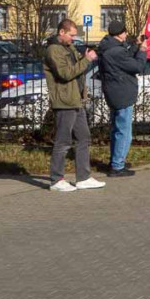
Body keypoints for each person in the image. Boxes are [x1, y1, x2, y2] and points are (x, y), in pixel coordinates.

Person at [45, 18, 103, 192]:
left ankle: (83, 178)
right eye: (71, 35)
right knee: (63, 141)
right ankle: (56, 179)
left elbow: (79, 65)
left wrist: (87, 56)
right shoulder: (54, 50)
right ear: (61, 32)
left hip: (76, 100)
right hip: (64, 102)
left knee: (84, 137)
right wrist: (86, 61)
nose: (73, 39)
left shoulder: (68, 48)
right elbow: (65, 73)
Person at [97, 20, 147, 177]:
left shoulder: (109, 46)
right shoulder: (116, 52)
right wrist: (143, 50)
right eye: (125, 32)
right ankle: (117, 166)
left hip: (114, 92)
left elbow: (125, 56)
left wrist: (136, 45)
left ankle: (116, 160)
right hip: (122, 93)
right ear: (119, 34)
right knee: (124, 132)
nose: (127, 34)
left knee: (117, 129)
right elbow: (137, 66)